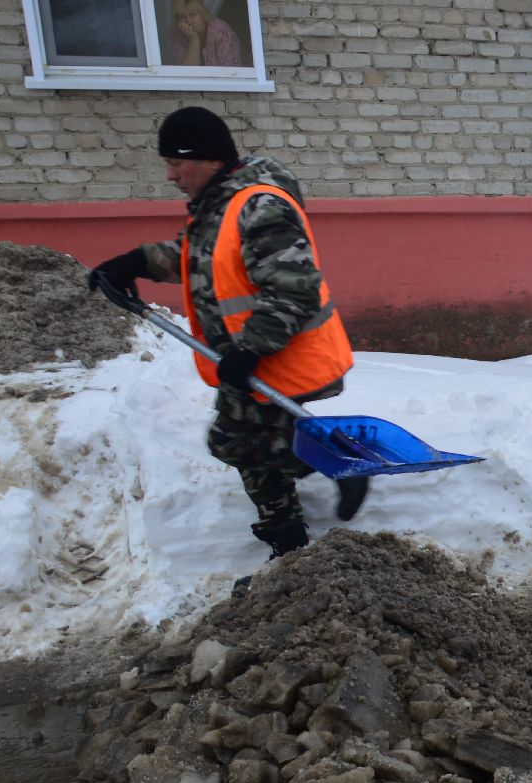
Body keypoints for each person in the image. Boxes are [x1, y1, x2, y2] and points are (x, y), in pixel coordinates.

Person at [92, 106, 367, 569]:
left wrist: (248, 351)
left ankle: (338, 462)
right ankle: (288, 546)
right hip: (251, 357)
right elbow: (192, 254)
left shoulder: (260, 207)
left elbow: (292, 290)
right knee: (250, 450)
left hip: (275, 356)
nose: (170, 175)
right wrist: (133, 263)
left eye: (176, 163)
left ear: (207, 159)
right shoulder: (222, 205)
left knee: (233, 441)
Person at [170, 0, 243, 67]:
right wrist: (193, 40)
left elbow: (232, 72)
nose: (189, 21)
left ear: (203, 14)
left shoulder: (219, 30)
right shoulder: (178, 34)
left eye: (193, 15)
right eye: (182, 17)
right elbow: (186, 75)